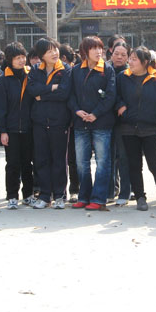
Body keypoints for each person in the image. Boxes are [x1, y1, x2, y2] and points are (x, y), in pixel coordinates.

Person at [116, 46, 156, 211]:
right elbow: (115, 95)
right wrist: (121, 107)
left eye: (134, 59)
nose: (130, 62)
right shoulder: (123, 77)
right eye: (130, 58)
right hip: (128, 127)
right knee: (134, 165)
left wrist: (154, 111)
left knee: (155, 165)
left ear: (145, 62)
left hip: (150, 128)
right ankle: (140, 197)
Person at [68, 36, 116, 211]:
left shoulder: (107, 69)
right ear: (85, 51)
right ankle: (84, 196)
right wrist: (77, 110)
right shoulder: (76, 70)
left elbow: (110, 96)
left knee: (102, 162)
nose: (98, 52)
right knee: (82, 162)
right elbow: (70, 94)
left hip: (101, 123)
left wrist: (96, 114)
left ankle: (99, 198)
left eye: (100, 48)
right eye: (94, 48)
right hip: (81, 123)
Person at [27, 37, 72, 209]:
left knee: (59, 159)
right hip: (39, 121)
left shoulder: (65, 69)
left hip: (59, 121)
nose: (54, 53)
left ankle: (60, 195)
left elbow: (64, 93)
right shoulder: (35, 69)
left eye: (55, 49)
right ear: (41, 56)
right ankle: (45, 195)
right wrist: (52, 88)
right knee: (41, 159)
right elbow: (32, 90)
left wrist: (43, 95)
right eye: (49, 51)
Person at [0, 42, 35, 209]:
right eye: (17, 58)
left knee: (27, 163)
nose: (21, 60)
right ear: (10, 60)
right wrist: (2, 131)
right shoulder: (2, 80)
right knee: (12, 164)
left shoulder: (30, 76)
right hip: (11, 129)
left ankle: (28, 194)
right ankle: (12, 196)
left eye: (23, 57)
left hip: (28, 128)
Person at [109, 41, 131, 205]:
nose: (119, 57)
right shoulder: (105, 71)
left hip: (125, 121)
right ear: (111, 53)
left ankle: (125, 191)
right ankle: (110, 191)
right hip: (106, 119)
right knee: (108, 157)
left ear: (128, 57)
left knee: (124, 157)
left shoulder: (130, 73)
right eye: (116, 54)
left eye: (123, 55)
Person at [59, 43, 79, 202]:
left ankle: (74, 189)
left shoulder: (73, 72)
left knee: (73, 158)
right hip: (59, 120)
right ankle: (60, 190)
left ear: (64, 58)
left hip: (73, 120)